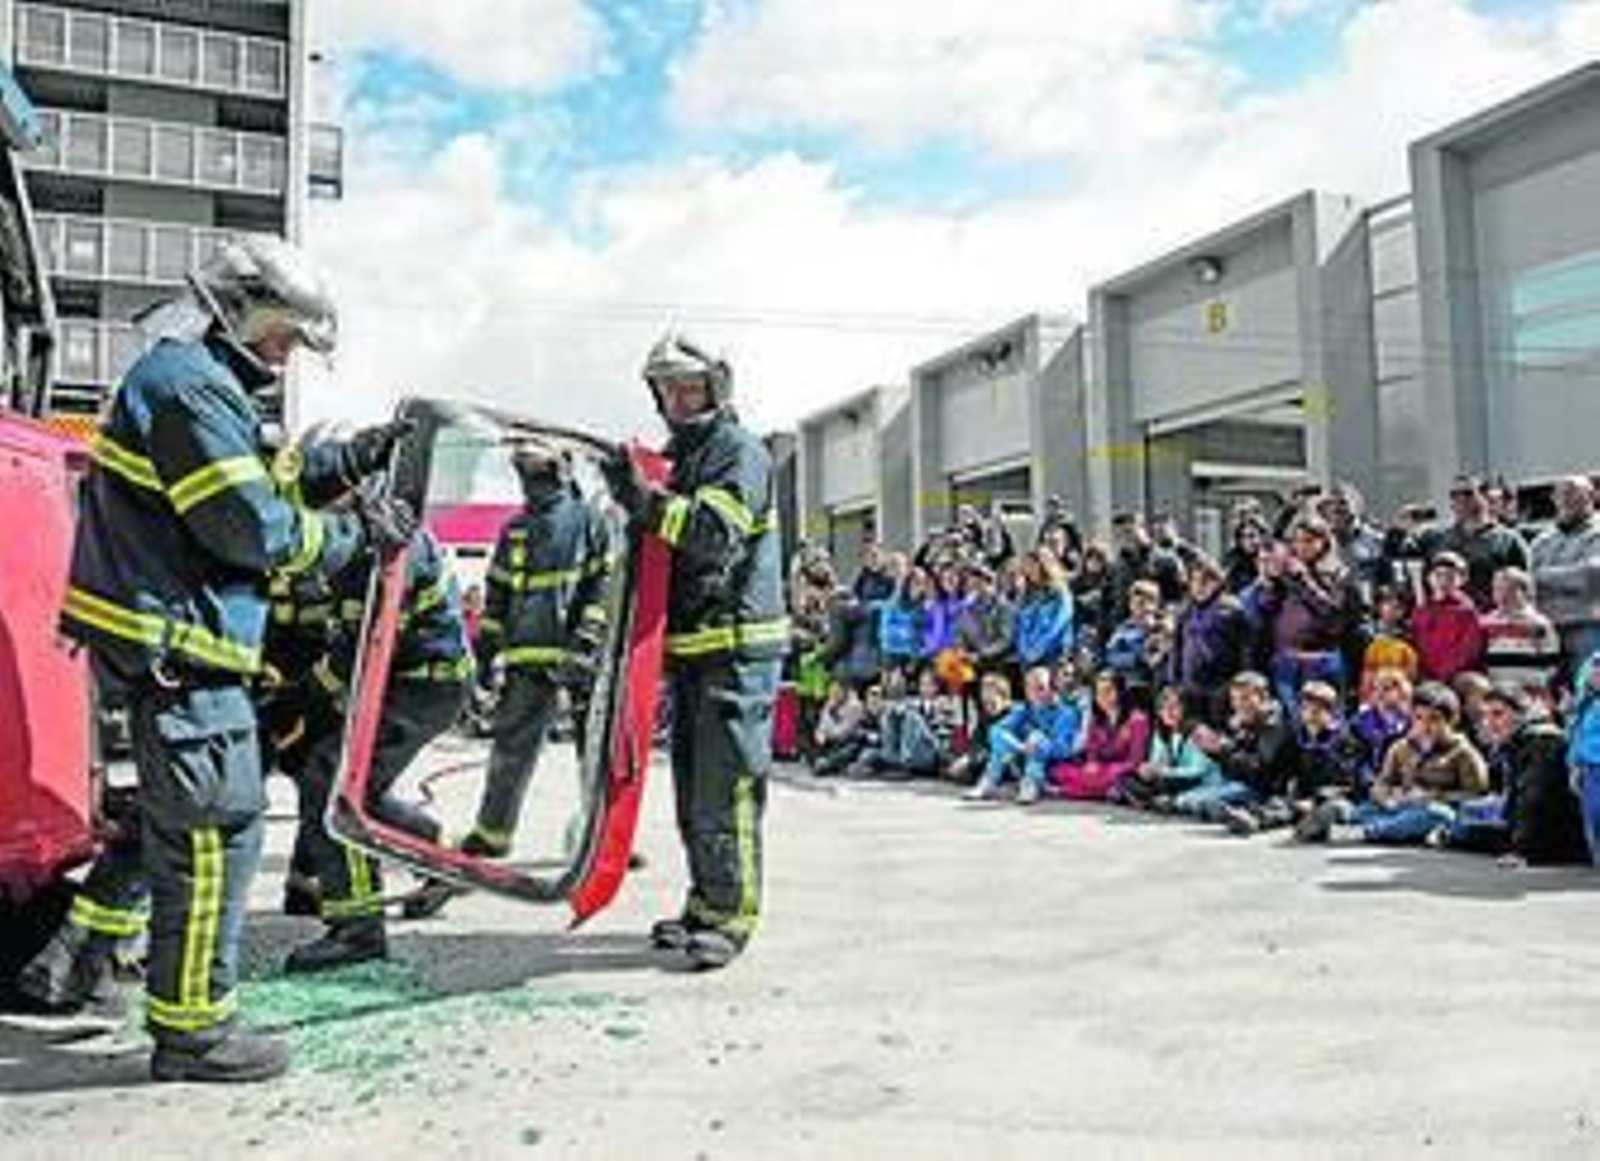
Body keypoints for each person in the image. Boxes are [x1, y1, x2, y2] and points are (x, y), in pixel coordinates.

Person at [53, 236, 413, 1082]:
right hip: (184, 657)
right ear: (242, 309)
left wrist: (350, 459)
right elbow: (250, 525)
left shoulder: (187, 383)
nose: (284, 354)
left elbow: (273, 476)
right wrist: (356, 537)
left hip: (177, 659)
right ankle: (194, 1035)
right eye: (283, 336)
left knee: (187, 836)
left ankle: (120, 982)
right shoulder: (189, 388)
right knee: (216, 838)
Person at [603, 331, 787, 970]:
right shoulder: (683, 458)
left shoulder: (737, 451)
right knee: (691, 788)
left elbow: (712, 536)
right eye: (668, 389)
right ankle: (706, 903)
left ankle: (734, 915)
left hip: (737, 651)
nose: (679, 400)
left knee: (727, 787)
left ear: (717, 385)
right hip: (694, 652)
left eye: (690, 386)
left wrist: (648, 503)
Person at [402, 441, 613, 921]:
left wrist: (586, 641)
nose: (529, 483)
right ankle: (494, 833)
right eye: (523, 473)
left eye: (536, 472)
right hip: (525, 657)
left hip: (582, 660)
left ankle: (603, 837)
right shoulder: (514, 529)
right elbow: (497, 599)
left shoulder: (588, 521)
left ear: (560, 472)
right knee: (511, 749)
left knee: (594, 751)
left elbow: (601, 585)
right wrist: (484, 654)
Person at [284, 527, 472, 967]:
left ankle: (358, 929)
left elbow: (359, 648)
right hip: (407, 682)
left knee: (334, 780)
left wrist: (300, 695)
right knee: (358, 785)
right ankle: (440, 859)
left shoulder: (383, 546)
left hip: (424, 685)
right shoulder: (372, 533)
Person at [1309, 682, 1488, 846]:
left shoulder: (1463, 753)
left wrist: (1435, 796)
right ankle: (1342, 817)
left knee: (1437, 815)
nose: (1425, 726)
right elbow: (1381, 783)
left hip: (1435, 812)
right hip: (1398, 808)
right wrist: (1387, 799)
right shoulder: (1401, 747)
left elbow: (1475, 795)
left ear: (1451, 721)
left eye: (1434, 719)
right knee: (1367, 810)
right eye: (1418, 718)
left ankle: (1364, 831)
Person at [964, 666, 1084, 805]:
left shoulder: (1066, 713)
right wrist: (1021, 747)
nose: (1035, 693)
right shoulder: (1025, 709)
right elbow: (998, 730)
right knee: (998, 733)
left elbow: (1064, 751)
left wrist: (1040, 744)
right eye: (1030, 688)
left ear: (1051, 688)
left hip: (1053, 767)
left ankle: (1030, 784)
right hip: (1025, 758)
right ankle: (988, 782)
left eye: (1040, 688)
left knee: (1036, 737)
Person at [1529, 476, 1600, 672]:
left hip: (1588, 628)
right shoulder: (1542, 539)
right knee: (1548, 695)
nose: (1566, 499)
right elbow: (1529, 584)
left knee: (1588, 691)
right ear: (1554, 499)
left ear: (1592, 496)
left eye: (1573, 492)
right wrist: (1571, 574)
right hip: (1547, 630)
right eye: (1561, 493)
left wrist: (1541, 575)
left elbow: (1591, 577)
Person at [1049, 670, 1150, 801]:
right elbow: (1092, 751)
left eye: (1108, 691)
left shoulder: (1137, 720)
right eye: (1099, 692)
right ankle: (1102, 791)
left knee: (1106, 778)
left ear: (1120, 691)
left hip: (1122, 772)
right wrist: (1092, 763)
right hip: (1099, 770)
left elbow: (1135, 761)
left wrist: (1108, 770)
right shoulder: (1096, 719)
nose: (1103, 696)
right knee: (1057, 771)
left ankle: (1067, 790)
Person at [1480, 566, 1561, 698]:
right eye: (1498, 589)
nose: (1503, 595)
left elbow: (1551, 660)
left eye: (1510, 589)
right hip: (1496, 690)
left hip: (1531, 690)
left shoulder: (1538, 623)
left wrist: (1540, 683)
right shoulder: (1486, 622)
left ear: (1525, 592)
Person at [1411, 552, 1485, 684]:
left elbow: (1469, 651)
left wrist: (1445, 675)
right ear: (1429, 578)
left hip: (1456, 678)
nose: (1443, 581)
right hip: (1426, 678)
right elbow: (1417, 645)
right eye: (1438, 575)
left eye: (1450, 576)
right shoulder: (1420, 611)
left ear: (1462, 580)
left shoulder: (1468, 612)